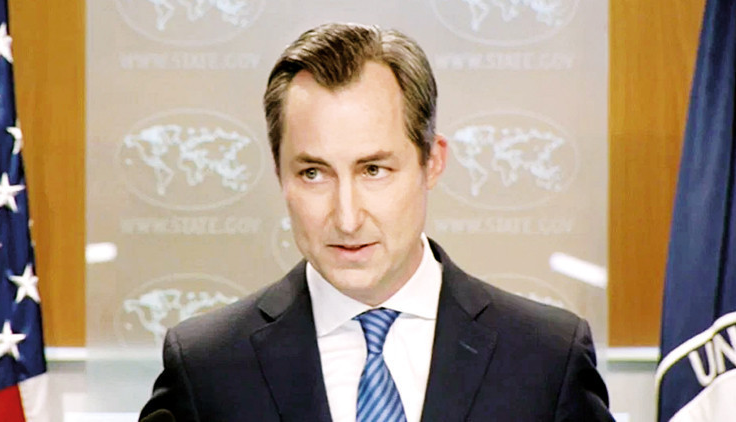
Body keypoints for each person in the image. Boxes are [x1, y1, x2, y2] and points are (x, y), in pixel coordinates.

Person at [139, 22, 613, 422]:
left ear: (432, 162)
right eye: (313, 173)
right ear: (278, 172)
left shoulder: (547, 359)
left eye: (373, 170)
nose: (347, 218)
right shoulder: (206, 367)